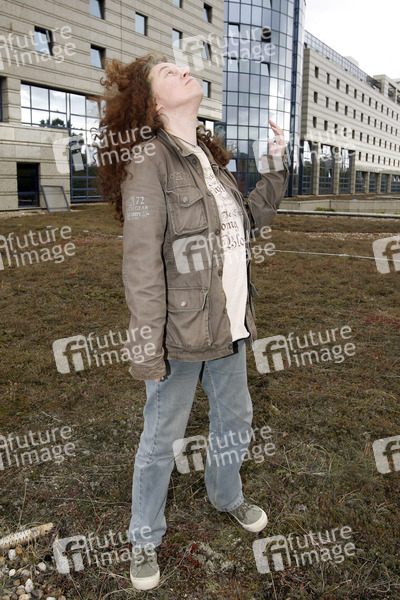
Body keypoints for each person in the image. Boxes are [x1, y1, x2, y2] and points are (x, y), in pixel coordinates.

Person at [96, 53, 289, 591]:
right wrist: (147, 349)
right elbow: (141, 264)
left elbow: (247, 222)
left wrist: (275, 166)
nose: (184, 70)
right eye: (168, 72)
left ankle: (227, 496)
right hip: (177, 338)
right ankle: (144, 537)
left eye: (182, 66)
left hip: (229, 327)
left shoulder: (208, 159)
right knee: (162, 439)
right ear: (154, 102)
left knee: (236, 421)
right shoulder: (148, 160)